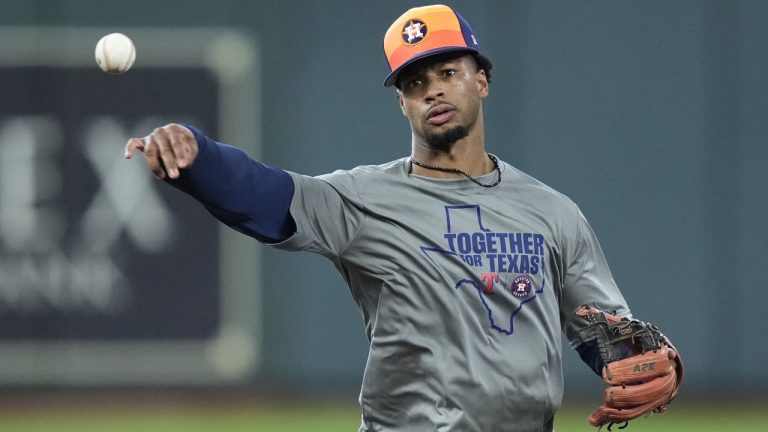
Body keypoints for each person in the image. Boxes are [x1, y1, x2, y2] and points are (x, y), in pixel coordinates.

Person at [125, 5, 680, 431]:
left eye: (447, 71)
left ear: (480, 80)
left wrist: (655, 365)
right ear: (403, 104)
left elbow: (603, 331)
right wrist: (197, 156)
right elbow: (265, 197)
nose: (432, 88)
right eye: (414, 83)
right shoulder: (364, 200)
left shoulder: (552, 212)